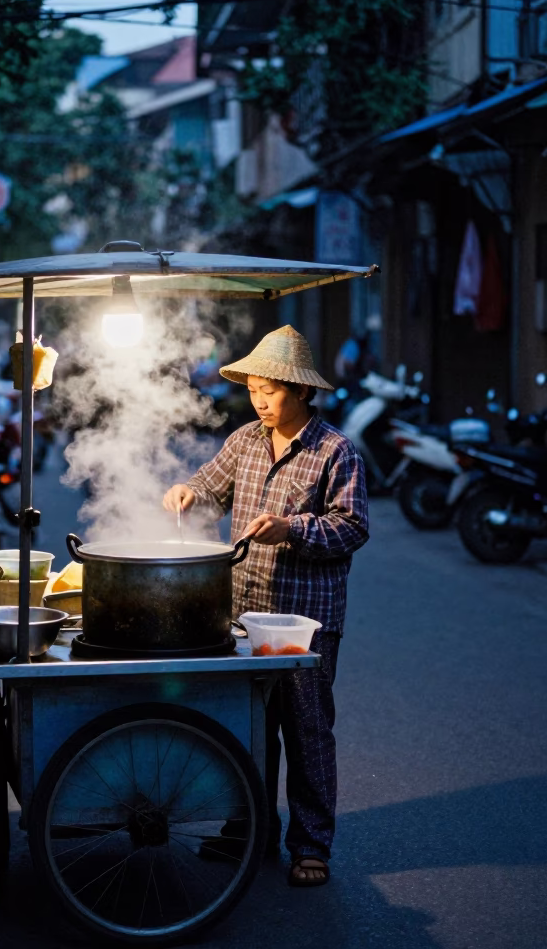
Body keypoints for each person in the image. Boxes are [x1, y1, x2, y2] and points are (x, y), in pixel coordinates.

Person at [163, 325, 369, 889]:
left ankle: (310, 845)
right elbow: (209, 484)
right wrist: (187, 490)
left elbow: (353, 527)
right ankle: (247, 832)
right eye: (253, 389)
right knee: (247, 729)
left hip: (305, 623)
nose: (258, 401)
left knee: (306, 732)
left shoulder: (336, 451)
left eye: (269, 391)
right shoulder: (247, 440)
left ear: (301, 392)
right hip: (245, 610)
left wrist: (292, 529)